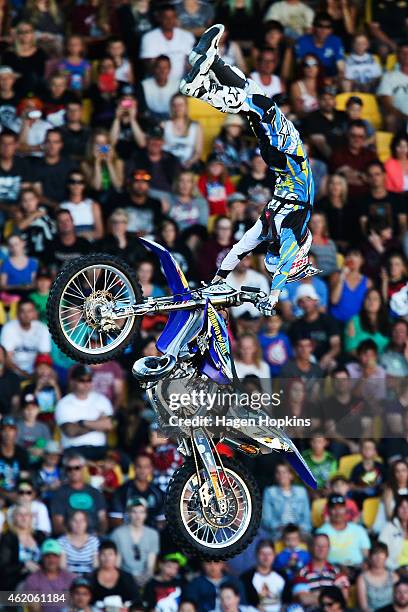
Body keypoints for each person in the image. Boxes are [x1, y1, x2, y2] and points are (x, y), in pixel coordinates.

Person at [181, 24, 319, 315]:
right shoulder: (266, 228)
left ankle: (202, 89)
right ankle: (211, 61)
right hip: (278, 163)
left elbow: (282, 267)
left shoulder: (289, 231)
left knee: (263, 108)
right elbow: (237, 251)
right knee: (254, 97)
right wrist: (217, 281)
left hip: (290, 161)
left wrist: (275, 294)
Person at [55, 364, 114, 460]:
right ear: (72, 382)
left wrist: (82, 423)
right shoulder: (63, 403)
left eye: (89, 380)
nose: (86, 384)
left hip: (100, 449)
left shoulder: (102, 400)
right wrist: (97, 424)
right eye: (82, 380)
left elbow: (109, 425)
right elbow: (70, 431)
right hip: (73, 450)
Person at [50, 453, 107, 536]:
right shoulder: (59, 494)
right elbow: (57, 523)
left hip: (94, 537)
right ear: (66, 471)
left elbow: (103, 519)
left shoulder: (95, 492)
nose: (73, 471)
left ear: (83, 469)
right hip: (69, 538)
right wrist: (71, 538)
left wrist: (98, 535)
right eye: (69, 469)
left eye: (77, 468)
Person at [111, 496, 159, 588]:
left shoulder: (153, 534)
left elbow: (150, 567)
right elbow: (117, 565)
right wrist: (129, 579)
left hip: (145, 581)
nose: (138, 516)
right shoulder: (117, 534)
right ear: (128, 513)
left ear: (146, 514)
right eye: (134, 512)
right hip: (123, 580)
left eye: (141, 512)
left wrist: (143, 579)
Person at [139, 4, 195, 82]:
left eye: (172, 17)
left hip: (182, 84)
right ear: (159, 18)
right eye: (166, 17)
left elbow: (190, 63)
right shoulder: (148, 38)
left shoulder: (187, 36)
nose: (169, 21)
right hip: (157, 83)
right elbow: (149, 67)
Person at [292, 533, 349, 608]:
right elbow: (303, 599)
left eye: (324, 546)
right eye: (318, 546)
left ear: (329, 549)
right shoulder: (301, 572)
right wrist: (330, 600)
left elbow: (343, 600)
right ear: (311, 548)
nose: (321, 549)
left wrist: (315, 595)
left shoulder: (338, 572)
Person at [110, 453, 165, 529]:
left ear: (151, 469)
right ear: (134, 468)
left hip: (152, 534)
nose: (142, 470)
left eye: (146, 467)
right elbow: (116, 520)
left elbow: (161, 521)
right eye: (139, 466)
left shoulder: (158, 493)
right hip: (127, 534)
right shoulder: (121, 491)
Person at [0, 298, 51, 378]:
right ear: (17, 313)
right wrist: (23, 374)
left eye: (29, 311)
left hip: (36, 371)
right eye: (22, 311)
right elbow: (6, 359)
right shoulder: (8, 328)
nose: (26, 315)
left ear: (34, 312)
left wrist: (34, 374)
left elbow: (44, 357)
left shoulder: (42, 328)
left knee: (48, 372)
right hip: (12, 372)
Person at [317, 493, 370, 570]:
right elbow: (319, 558)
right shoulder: (321, 532)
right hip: (332, 570)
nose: (338, 512)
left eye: (341, 508)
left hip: (357, 569)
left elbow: (366, 555)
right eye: (334, 508)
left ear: (346, 509)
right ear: (328, 510)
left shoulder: (359, 530)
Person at [0, 502, 45, 590]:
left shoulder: (40, 536)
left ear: (31, 518)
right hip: (15, 583)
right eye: (20, 515)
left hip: (41, 580)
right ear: (14, 518)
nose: (24, 517)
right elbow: (4, 568)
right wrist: (24, 566)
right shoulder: (8, 538)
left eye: (27, 515)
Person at [22, 539, 75, 612]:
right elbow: (33, 608)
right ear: (42, 558)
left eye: (54, 556)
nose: (51, 560)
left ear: (59, 557)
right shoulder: (33, 579)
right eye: (48, 556)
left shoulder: (70, 578)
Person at [261, 462, 311, 539]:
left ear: (291, 475)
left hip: (299, 533)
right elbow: (266, 519)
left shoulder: (301, 492)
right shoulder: (270, 492)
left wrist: (299, 529)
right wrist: (279, 527)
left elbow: (307, 519)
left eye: (284, 472)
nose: (281, 475)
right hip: (278, 533)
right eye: (278, 472)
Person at [32, 128, 76, 208]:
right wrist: (57, 206)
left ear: (61, 145)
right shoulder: (35, 166)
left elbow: (77, 189)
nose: (52, 146)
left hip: (69, 207)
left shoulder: (70, 164)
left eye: (56, 142)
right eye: (48, 142)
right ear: (44, 144)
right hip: (44, 208)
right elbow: (38, 195)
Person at [2, 21, 47, 95]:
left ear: (32, 34)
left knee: (32, 78)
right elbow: (6, 73)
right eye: (21, 32)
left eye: (28, 31)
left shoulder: (40, 53)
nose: (25, 35)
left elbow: (40, 74)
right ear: (17, 35)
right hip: (14, 87)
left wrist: (20, 75)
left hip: (34, 87)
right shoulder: (9, 53)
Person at [295, 13, 345, 78]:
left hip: (330, 77)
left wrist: (337, 79)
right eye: (320, 26)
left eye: (328, 27)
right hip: (309, 77)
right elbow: (301, 68)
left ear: (331, 30)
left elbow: (341, 68)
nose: (323, 30)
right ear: (314, 27)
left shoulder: (336, 41)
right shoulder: (302, 41)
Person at [59, 171, 104, 242]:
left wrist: (80, 235)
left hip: (90, 245)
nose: (76, 185)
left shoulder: (93, 205)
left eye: (80, 182)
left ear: (84, 185)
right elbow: (60, 233)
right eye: (72, 182)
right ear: (68, 184)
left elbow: (99, 233)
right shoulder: (61, 206)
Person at [330, 248, 371, 323]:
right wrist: (342, 276)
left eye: (355, 255)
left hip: (357, 324)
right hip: (336, 321)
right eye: (348, 255)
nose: (351, 258)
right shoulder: (336, 276)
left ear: (362, 261)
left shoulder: (368, 282)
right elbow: (334, 300)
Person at [162, 93, 203, 169]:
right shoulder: (164, 125)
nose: (177, 108)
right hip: (167, 166)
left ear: (186, 106)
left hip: (188, 166)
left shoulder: (195, 126)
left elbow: (198, 152)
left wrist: (189, 163)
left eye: (180, 105)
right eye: (174, 105)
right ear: (171, 107)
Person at [344, 288, 390, 355]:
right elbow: (350, 348)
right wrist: (368, 361)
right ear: (364, 301)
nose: (371, 302)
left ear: (381, 303)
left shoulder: (388, 322)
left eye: (375, 299)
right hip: (360, 361)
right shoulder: (353, 322)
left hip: (385, 362)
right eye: (368, 298)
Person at [356, 542, 397, 612]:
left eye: (382, 553)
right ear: (370, 557)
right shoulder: (362, 578)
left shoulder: (394, 576)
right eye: (375, 553)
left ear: (386, 556)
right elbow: (364, 607)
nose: (378, 557)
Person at [377, 42, 408, 132]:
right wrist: (404, 116)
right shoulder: (389, 77)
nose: (406, 56)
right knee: (391, 119)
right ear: (397, 56)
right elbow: (387, 104)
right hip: (400, 117)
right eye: (403, 53)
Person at [58, 510, 99, 575]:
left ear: (86, 523)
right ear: (70, 522)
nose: (78, 524)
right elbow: (63, 568)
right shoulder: (62, 541)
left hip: (89, 580)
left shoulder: (93, 541)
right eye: (75, 521)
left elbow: (96, 567)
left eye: (82, 521)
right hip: (68, 580)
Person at [142, 55, 179, 121]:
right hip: (150, 120)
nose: (162, 71)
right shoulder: (144, 85)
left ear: (170, 69)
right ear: (154, 69)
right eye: (159, 67)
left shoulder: (177, 85)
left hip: (172, 120)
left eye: (165, 67)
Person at [379, 497, 408, 571]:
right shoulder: (388, 528)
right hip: (394, 569)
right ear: (397, 509)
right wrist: (395, 568)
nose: (405, 510)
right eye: (402, 507)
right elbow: (381, 552)